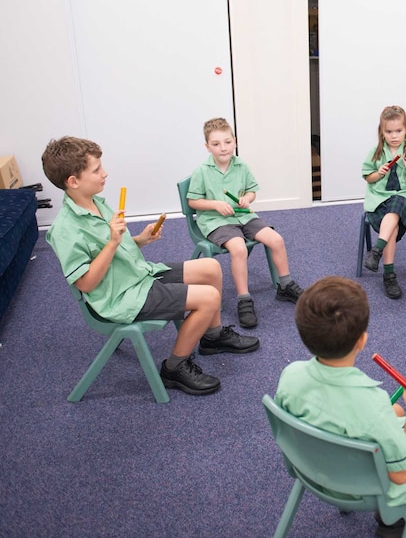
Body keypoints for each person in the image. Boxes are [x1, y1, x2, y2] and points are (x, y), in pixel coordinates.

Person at [42, 136, 260, 396]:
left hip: (138, 274)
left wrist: (140, 240)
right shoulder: (64, 229)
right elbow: (87, 283)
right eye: (96, 169)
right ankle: (174, 368)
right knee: (210, 298)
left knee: (211, 267)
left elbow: (116, 249)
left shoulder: (95, 201)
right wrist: (113, 242)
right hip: (121, 295)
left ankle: (212, 337)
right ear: (73, 181)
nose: (105, 173)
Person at [275, 276, 406, 537]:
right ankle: (395, 520)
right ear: (362, 341)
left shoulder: (290, 375)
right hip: (363, 486)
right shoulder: (371, 402)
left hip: (310, 468)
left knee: (394, 411)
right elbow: (401, 474)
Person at [188, 118, 304, 329]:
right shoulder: (202, 171)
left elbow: (252, 191)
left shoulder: (242, 166)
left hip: (243, 216)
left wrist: (247, 199)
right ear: (207, 147)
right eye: (216, 144)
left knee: (276, 239)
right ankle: (244, 299)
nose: (223, 148)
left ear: (235, 141)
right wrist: (215, 204)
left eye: (227, 142)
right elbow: (193, 201)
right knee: (239, 248)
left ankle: (285, 285)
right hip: (216, 221)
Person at [361, 105, 406, 299]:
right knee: (391, 218)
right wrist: (378, 173)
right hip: (380, 201)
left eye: (398, 131)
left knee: (397, 202)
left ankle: (377, 251)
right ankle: (388, 274)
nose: (394, 136)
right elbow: (368, 178)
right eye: (389, 132)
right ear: (382, 132)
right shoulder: (376, 152)